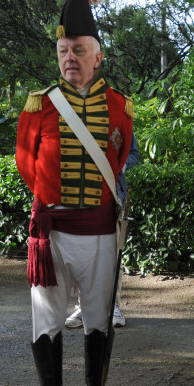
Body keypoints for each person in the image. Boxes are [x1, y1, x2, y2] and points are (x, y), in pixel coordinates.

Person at [15, 0, 133, 386]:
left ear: (97, 55)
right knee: (47, 320)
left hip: (100, 230)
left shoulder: (120, 107)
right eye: (63, 50)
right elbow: (24, 163)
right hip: (52, 231)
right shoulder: (37, 105)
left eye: (79, 50)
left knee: (99, 319)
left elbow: (120, 156)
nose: (69, 58)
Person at [65, 132, 139, 329]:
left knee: (113, 256)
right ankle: (84, 307)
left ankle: (113, 305)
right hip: (82, 197)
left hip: (113, 198)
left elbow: (133, 154)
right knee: (83, 255)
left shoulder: (120, 111)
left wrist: (120, 165)